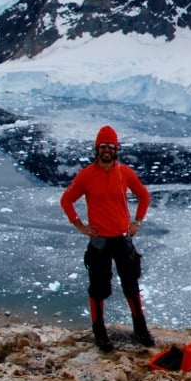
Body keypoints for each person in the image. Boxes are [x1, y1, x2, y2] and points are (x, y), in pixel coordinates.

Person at [60, 124, 155, 352]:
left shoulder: (124, 173)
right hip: (100, 241)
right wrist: (80, 226)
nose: (107, 150)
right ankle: (99, 332)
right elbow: (66, 200)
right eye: (103, 146)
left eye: (111, 146)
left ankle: (140, 329)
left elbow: (143, 195)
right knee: (98, 288)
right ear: (97, 148)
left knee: (131, 285)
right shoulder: (86, 176)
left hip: (122, 239)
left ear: (116, 149)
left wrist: (137, 222)